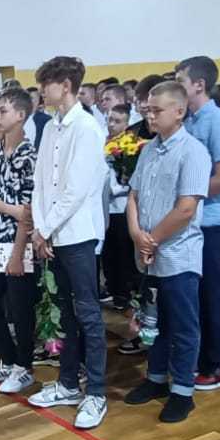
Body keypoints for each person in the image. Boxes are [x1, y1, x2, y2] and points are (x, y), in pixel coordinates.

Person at [27, 56, 110, 431]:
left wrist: (46, 228)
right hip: (52, 234)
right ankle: (67, 383)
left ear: (65, 85)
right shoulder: (50, 128)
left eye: (46, 85)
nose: (42, 92)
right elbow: (41, 182)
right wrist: (41, 228)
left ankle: (97, 392)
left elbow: (76, 189)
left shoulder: (87, 128)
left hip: (77, 235)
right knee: (64, 311)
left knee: (88, 313)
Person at [122, 81, 210, 423]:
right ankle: (156, 378)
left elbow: (186, 208)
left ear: (179, 111)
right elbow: (133, 195)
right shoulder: (148, 150)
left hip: (177, 254)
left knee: (183, 325)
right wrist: (135, 233)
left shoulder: (193, 152)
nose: (150, 116)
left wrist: (152, 240)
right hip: (148, 253)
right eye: (148, 110)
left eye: (157, 111)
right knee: (153, 321)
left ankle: (183, 391)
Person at [174, 56, 220, 393]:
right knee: (196, 293)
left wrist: (188, 195)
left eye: (180, 81)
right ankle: (200, 357)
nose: (176, 86)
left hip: (214, 220)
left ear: (199, 85)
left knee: (215, 293)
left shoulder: (218, 120)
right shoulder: (187, 121)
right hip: (193, 219)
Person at [0, 87, 39, 395]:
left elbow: (28, 210)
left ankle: (24, 367)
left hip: (18, 241)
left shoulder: (29, 155)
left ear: (21, 116)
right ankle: (7, 358)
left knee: (20, 306)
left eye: (3, 111)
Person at [100, 103, 138, 309]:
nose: (112, 125)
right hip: (105, 206)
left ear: (127, 123)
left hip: (123, 206)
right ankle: (113, 289)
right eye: (110, 120)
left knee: (122, 252)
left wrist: (123, 182)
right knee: (108, 252)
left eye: (117, 121)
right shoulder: (103, 141)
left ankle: (124, 294)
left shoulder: (132, 145)